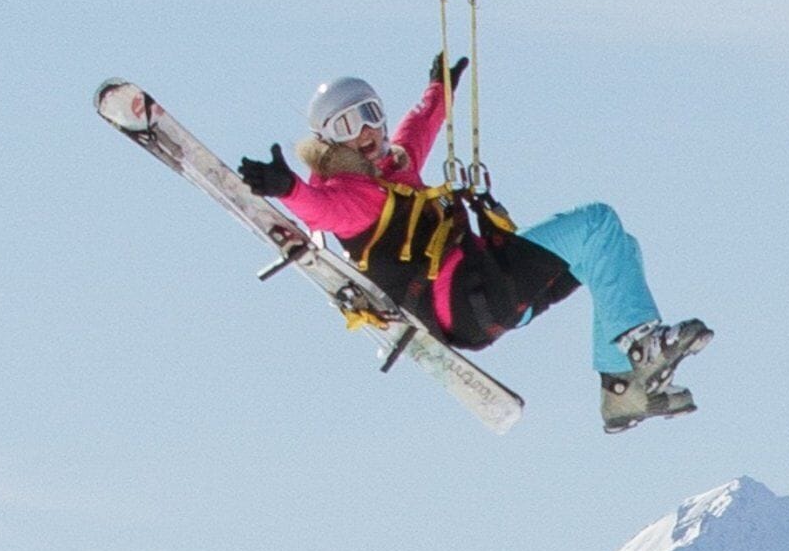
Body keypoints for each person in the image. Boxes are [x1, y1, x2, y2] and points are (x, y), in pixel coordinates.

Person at [237, 60, 712, 430]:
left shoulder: (390, 169)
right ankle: (641, 347)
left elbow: (416, 132)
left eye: (371, 114)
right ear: (328, 140)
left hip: (486, 296)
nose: (365, 131)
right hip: (470, 294)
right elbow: (322, 209)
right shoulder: (354, 196)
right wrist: (287, 189)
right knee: (597, 223)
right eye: (346, 125)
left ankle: (622, 388)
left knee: (615, 248)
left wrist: (439, 89)